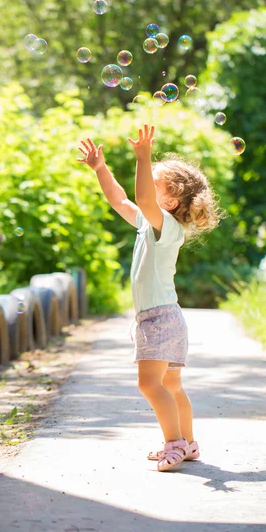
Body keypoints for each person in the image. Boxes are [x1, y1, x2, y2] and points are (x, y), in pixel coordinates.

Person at [77, 124, 226, 471]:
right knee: (171, 385)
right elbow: (121, 200)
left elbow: (142, 198)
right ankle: (187, 443)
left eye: (154, 184)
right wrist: (101, 169)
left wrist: (143, 156)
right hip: (164, 317)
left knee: (149, 384)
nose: (146, 187)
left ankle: (173, 442)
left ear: (170, 202)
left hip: (160, 319)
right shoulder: (149, 223)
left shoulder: (166, 226)